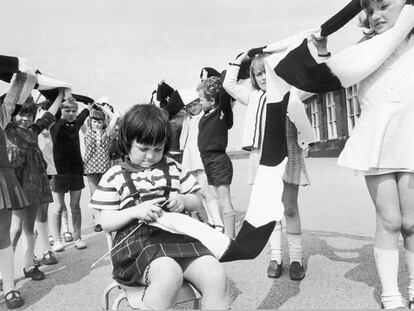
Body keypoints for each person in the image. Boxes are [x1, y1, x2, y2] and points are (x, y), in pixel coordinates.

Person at [89, 104, 230, 310]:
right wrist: (135, 211)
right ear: (127, 143)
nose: (150, 156)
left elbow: (197, 201)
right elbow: (106, 222)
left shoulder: (173, 166)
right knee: (169, 273)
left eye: (158, 149)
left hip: (177, 237)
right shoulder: (116, 174)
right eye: (143, 149)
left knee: (215, 274)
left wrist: (183, 201)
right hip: (137, 245)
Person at [336, 1, 413, 308]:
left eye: (384, 7)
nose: (376, 16)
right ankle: (391, 293)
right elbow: (332, 73)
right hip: (377, 140)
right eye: (370, 10)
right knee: (389, 219)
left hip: (410, 136)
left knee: (411, 221)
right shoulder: (363, 49)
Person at [223, 49, 321, 280]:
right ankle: (275, 257)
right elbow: (229, 84)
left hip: (289, 154)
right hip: (263, 157)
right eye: (258, 74)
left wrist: (321, 51)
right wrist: (239, 59)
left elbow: (316, 80)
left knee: (290, 208)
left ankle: (295, 259)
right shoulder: (254, 97)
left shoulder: (292, 92)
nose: (264, 78)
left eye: (267, 72)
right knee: (270, 210)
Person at [49, 96, 92, 252]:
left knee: (75, 206)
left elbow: (85, 112)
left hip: (76, 170)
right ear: (60, 111)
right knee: (58, 207)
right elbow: (52, 113)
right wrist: (60, 94)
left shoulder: (76, 124)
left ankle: (78, 237)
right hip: (59, 170)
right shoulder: (54, 124)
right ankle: (57, 240)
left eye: (74, 111)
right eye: (67, 110)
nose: (72, 113)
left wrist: (86, 105)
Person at [196, 77, 236, 239]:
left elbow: (225, 93)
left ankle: (230, 237)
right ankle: (227, 233)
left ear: (212, 100)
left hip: (218, 161)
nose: (199, 103)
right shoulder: (205, 115)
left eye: (201, 100)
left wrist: (218, 79)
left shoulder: (221, 112)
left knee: (224, 200)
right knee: (219, 199)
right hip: (207, 161)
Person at [179, 99, 225, 231]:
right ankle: (211, 220)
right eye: (189, 106)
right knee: (198, 190)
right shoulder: (187, 118)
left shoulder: (204, 116)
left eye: (194, 104)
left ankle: (218, 221)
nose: (192, 108)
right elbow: (184, 138)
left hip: (200, 151)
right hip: (189, 153)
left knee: (205, 189)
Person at [84, 103, 117, 232]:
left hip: (104, 167)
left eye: (99, 121)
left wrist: (102, 108)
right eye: (94, 121)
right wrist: (89, 108)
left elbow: (114, 117)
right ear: (90, 122)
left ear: (103, 122)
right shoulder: (87, 132)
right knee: (94, 194)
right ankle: (97, 221)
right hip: (90, 167)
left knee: (104, 193)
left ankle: (105, 218)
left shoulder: (106, 132)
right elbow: (80, 119)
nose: (97, 124)